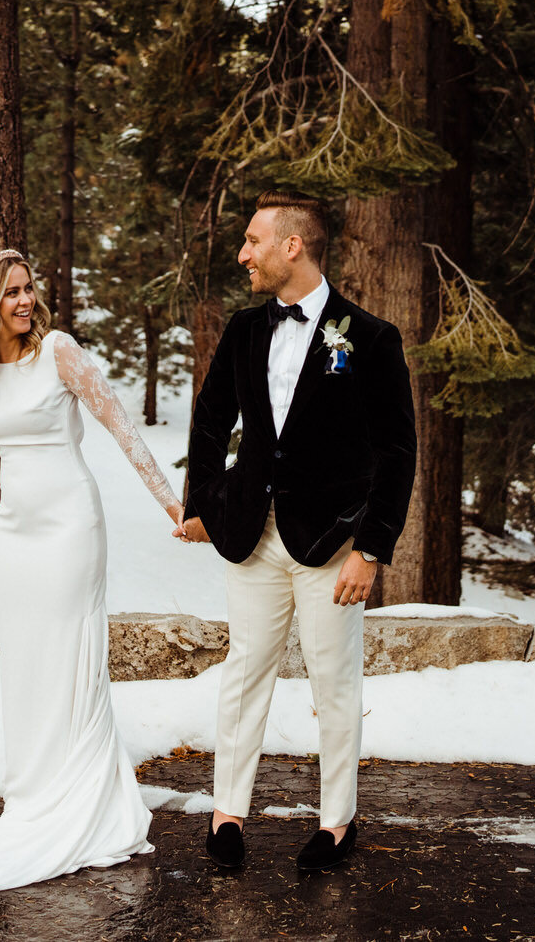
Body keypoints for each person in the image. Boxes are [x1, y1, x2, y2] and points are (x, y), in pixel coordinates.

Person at [0, 248, 183, 899]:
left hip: (71, 525)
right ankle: (41, 792)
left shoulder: (58, 350)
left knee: (73, 655)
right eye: (10, 293)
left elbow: (118, 423)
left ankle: (90, 802)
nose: (24, 301)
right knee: (28, 662)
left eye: (28, 288)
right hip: (16, 534)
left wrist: (171, 500)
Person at [177, 191, 417, 871]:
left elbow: (396, 452)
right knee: (244, 670)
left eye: (254, 240)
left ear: (293, 246)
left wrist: (371, 548)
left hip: (330, 543)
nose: (243, 253)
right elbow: (210, 415)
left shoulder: (368, 337)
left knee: (332, 681)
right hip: (253, 535)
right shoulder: (247, 330)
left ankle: (336, 821)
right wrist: (203, 501)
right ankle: (227, 815)